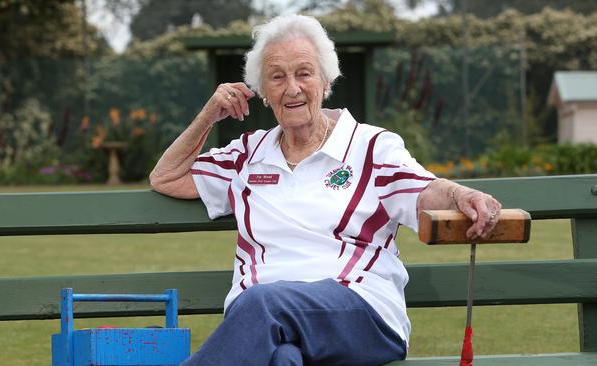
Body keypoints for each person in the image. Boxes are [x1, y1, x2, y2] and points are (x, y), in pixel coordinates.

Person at [150, 14, 501, 366]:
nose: (292, 88)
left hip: (358, 311)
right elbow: (166, 177)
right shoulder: (247, 155)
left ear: (326, 81)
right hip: (263, 324)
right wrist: (209, 116)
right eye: (277, 77)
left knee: (263, 304)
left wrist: (461, 196)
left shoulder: (371, 147)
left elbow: (424, 191)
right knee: (283, 359)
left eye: (304, 73)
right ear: (263, 92)